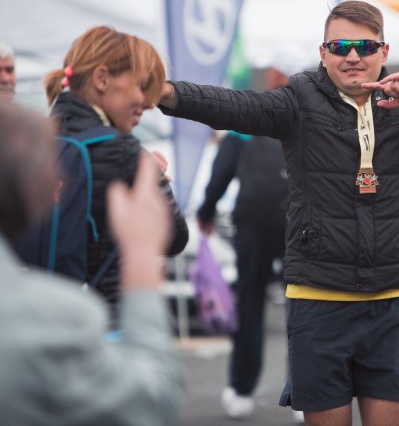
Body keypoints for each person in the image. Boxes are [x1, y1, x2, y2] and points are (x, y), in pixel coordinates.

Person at [158, 0, 399, 426]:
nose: (353, 56)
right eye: (340, 45)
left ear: (385, 52)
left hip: (390, 304)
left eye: (365, 45)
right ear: (323, 53)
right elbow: (233, 105)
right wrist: (168, 94)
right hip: (319, 307)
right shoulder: (298, 101)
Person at [0, 102, 181, 425]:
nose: (142, 100)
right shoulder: (58, 319)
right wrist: (141, 262)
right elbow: (151, 401)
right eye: (140, 85)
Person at [41, 26, 188, 321]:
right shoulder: (124, 152)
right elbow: (174, 238)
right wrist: (150, 173)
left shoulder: (36, 140)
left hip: (39, 318)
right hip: (105, 326)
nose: (147, 103)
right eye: (142, 86)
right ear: (102, 78)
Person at [196, 47, 308, 423]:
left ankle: (243, 391)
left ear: (276, 74)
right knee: (303, 305)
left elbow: (222, 166)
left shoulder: (254, 113)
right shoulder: (309, 113)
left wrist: (206, 211)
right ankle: (305, 393)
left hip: (252, 224)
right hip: (297, 222)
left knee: (250, 305)